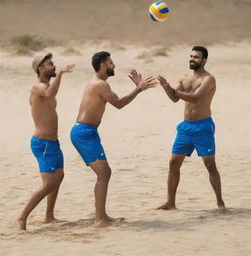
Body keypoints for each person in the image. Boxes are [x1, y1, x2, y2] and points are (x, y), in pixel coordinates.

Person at [70, 51, 157, 227]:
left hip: (88, 132)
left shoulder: (97, 83)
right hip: (83, 133)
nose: (113, 65)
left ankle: (101, 215)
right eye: (110, 62)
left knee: (105, 173)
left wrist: (138, 88)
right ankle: (99, 219)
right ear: (103, 66)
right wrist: (138, 89)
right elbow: (119, 104)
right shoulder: (100, 84)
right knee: (104, 173)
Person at [157, 46, 226, 212]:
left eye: (196, 57)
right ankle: (170, 203)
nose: (192, 59)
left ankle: (220, 203)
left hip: (203, 126)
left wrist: (174, 91)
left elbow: (196, 98)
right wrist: (167, 88)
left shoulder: (209, 79)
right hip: (185, 127)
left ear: (204, 60)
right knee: (173, 163)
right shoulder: (185, 78)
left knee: (210, 164)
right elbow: (174, 99)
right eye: (191, 56)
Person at [17, 53, 75, 230]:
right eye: (50, 64)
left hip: (53, 143)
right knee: (49, 183)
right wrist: (62, 74)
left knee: (59, 177)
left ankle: (49, 216)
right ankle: (22, 217)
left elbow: (50, 95)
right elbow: (49, 94)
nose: (54, 67)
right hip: (42, 143)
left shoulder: (47, 86)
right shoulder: (37, 87)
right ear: (41, 69)